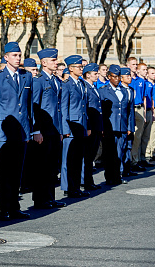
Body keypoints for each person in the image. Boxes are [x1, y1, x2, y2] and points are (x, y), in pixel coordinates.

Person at [0, 42, 32, 220]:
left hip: (22, 130)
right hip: (4, 131)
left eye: (20, 55)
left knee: (17, 171)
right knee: (2, 173)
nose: (18, 58)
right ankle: (4, 207)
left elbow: (29, 106)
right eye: (14, 55)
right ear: (6, 57)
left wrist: (30, 130)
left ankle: (14, 207)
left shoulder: (26, 76)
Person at [31, 48, 65, 209]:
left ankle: (50, 197)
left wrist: (60, 130)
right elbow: (35, 107)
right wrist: (36, 130)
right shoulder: (38, 81)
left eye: (56, 59)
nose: (56, 62)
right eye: (53, 60)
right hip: (43, 131)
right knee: (41, 167)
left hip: (54, 129)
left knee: (52, 166)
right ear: (44, 63)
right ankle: (40, 199)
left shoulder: (55, 80)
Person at [60, 55, 90, 198]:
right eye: (79, 67)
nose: (81, 69)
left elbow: (84, 107)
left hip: (81, 126)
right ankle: (68, 187)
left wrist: (87, 126)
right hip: (71, 127)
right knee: (68, 160)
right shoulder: (66, 85)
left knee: (78, 159)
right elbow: (64, 108)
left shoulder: (82, 84)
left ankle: (76, 187)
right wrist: (65, 129)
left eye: (82, 66)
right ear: (70, 69)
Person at [99, 65, 134, 186]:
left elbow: (129, 111)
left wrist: (130, 126)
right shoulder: (103, 91)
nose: (117, 79)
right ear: (109, 77)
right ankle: (109, 177)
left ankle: (117, 176)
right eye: (114, 77)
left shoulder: (124, 91)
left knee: (120, 152)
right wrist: (102, 128)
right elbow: (101, 112)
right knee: (109, 153)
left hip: (122, 127)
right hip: (109, 128)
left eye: (119, 76)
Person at [81, 63, 103, 191]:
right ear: (88, 75)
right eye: (95, 74)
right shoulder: (85, 87)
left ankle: (89, 180)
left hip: (96, 126)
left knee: (91, 156)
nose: (97, 76)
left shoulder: (94, 88)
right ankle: (86, 181)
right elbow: (86, 109)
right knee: (88, 156)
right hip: (90, 126)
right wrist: (88, 126)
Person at [127, 58, 149, 172]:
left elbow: (144, 98)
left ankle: (135, 160)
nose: (135, 66)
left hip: (139, 108)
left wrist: (145, 113)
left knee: (138, 137)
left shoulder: (141, 80)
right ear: (128, 65)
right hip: (130, 109)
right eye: (133, 64)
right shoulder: (126, 79)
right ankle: (128, 161)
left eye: (136, 64)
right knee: (130, 136)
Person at [119, 67, 136, 178]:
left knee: (128, 147)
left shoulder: (130, 89)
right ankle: (120, 171)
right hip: (122, 124)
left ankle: (127, 169)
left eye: (130, 76)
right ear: (121, 78)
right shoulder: (120, 90)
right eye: (127, 76)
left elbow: (131, 110)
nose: (130, 78)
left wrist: (131, 125)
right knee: (121, 148)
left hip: (129, 123)